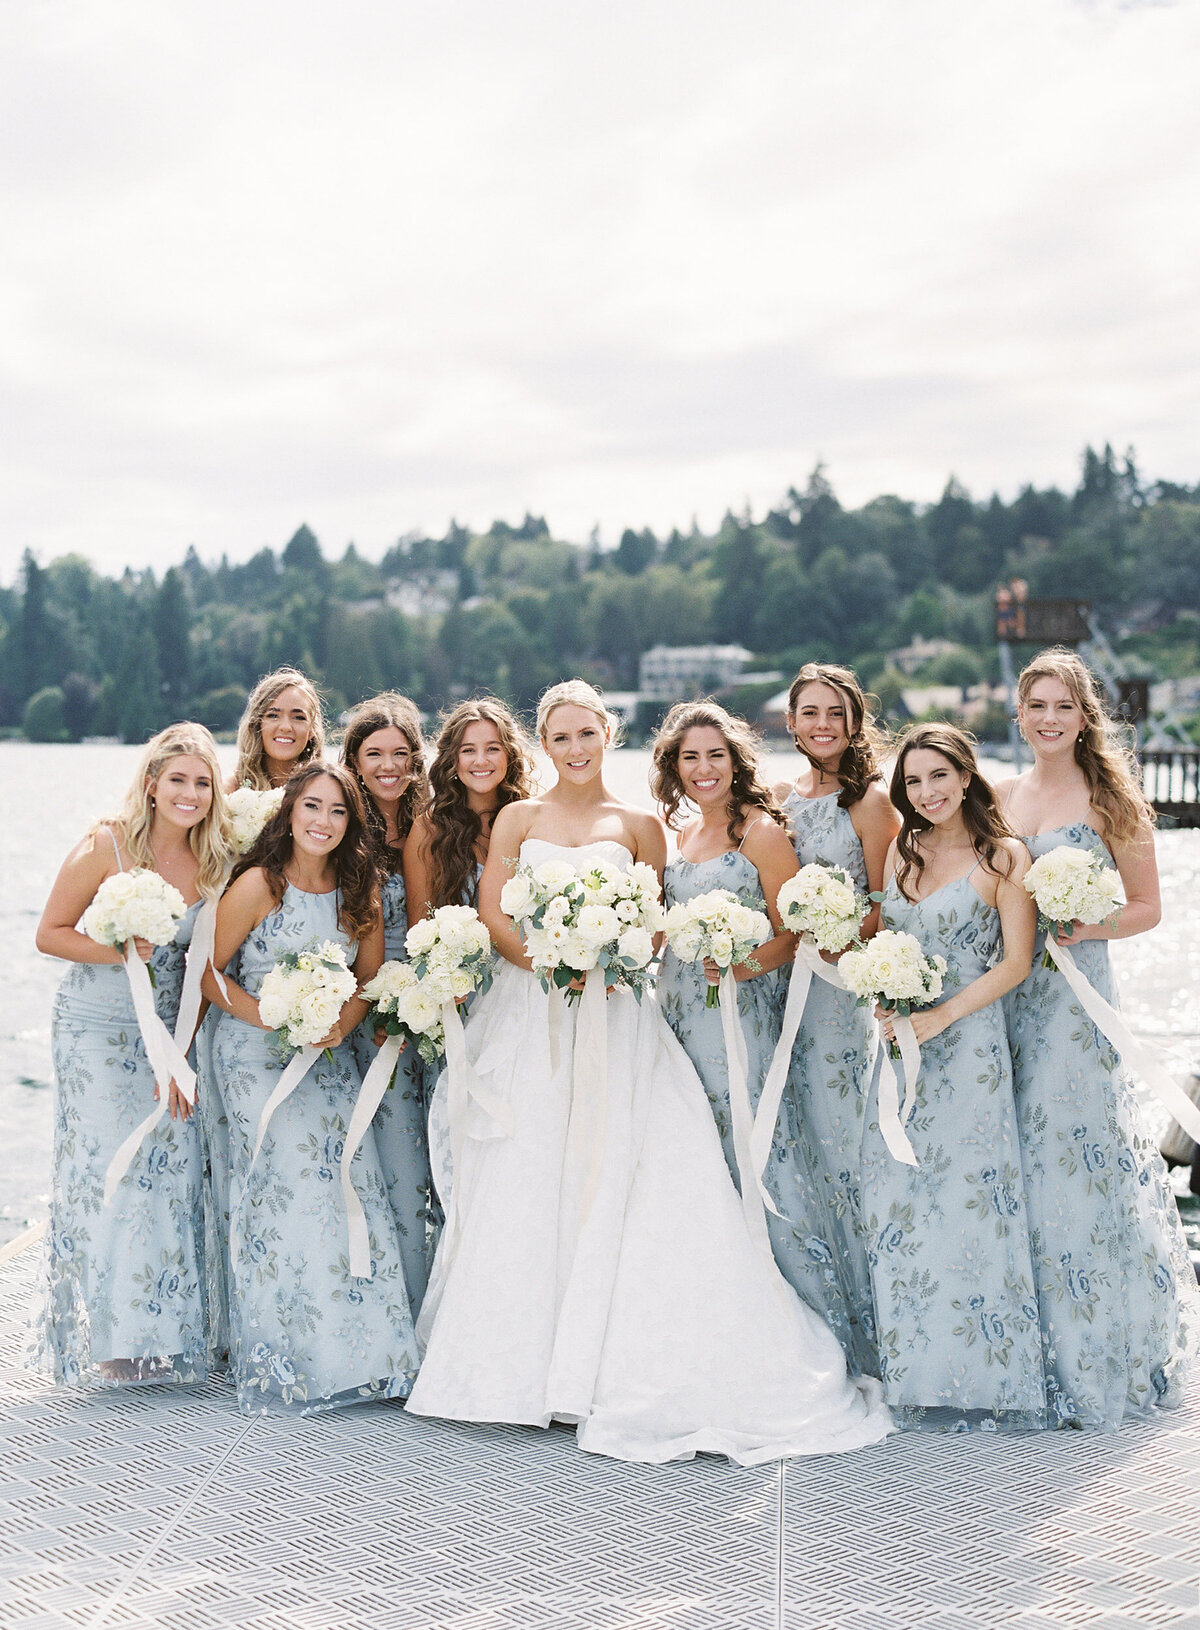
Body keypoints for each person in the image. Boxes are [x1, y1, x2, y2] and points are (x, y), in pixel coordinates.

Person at [406, 680, 892, 1465]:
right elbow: (495, 912)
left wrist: (604, 963)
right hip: (534, 1007)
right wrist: (551, 961)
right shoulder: (517, 819)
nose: (574, 750)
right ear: (544, 741)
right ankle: (517, 1365)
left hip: (621, 1013)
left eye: (586, 735)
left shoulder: (639, 827)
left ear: (608, 735)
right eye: (559, 738)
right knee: (527, 1169)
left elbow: (658, 926)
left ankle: (610, 1360)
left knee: (631, 1168)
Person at [997, 647, 1198, 1426]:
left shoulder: (1112, 798)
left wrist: (1085, 925)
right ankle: (1026, 1342)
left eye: (1063, 707)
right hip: (1011, 996)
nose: (1048, 719)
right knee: (1016, 1151)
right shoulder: (1004, 796)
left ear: (1086, 718)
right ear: (1019, 715)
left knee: (1077, 1153)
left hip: (1078, 999)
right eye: (1036, 706)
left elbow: (1149, 907)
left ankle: (1099, 1342)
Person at [203, 763, 418, 1413]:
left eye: (337, 812)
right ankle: (287, 1352)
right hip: (253, 1052)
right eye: (312, 808)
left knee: (351, 1184)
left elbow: (367, 983)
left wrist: (335, 1023)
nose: (323, 822)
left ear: (351, 824)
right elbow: (208, 974)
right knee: (290, 1183)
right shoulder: (259, 885)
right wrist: (272, 1015)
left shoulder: (362, 891)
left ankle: (363, 1354)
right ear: (290, 813)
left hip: (328, 1059)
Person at [652, 700, 860, 1351]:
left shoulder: (759, 832)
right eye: (690, 757)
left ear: (735, 759)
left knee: (753, 1151)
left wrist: (744, 967)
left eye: (715, 754)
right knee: (695, 1158)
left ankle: (806, 1324)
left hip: (739, 1015)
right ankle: (718, 1316)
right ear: (674, 767)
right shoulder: (679, 836)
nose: (703, 767)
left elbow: (794, 930)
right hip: (678, 1012)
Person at [33, 724, 233, 1388]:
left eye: (202, 782)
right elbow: (49, 934)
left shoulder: (215, 861)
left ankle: (161, 1332)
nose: (189, 793)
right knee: (106, 1175)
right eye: (177, 779)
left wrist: (181, 1055)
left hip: (168, 1034)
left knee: (165, 1170)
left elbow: (203, 964)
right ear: (152, 782)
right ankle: (108, 1338)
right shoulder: (107, 843)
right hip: (95, 1026)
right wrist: (122, 947)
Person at [860, 723, 1045, 1430]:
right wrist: (885, 992)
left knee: (971, 1197)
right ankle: (916, 1367)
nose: (928, 792)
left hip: (970, 1051)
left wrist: (941, 1019)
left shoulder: (1004, 856)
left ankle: (986, 1373)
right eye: (913, 781)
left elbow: (1015, 963)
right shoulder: (903, 852)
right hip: (901, 1046)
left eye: (939, 776)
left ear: (967, 777)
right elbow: (888, 939)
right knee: (905, 1199)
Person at [772, 663, 898, 1375]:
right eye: (809, 713)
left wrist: (840, 927)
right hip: (786, 983)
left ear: (854, 723)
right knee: (799, 1138)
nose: (822, 725)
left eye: (835, 714)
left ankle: (869, 1319)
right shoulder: (784, 799)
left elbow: (888, 900)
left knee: (841, 1135)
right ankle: (811, 1309)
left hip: (841, 988)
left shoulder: (871, 802)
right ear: (790, 723)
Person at [340, 693, 434, 1308]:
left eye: (401, 753)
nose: (388, 765)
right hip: (372, 1011)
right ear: (353, 759)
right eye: (374, 754)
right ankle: (402, 1308)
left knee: (440, 1148)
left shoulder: (433, 821)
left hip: (442, 996)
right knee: (396, 1157)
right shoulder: (339, 823)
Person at [403, 696, 535, 927]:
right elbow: (419, 932)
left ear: (509, 754)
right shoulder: (429, 830)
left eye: (492, 749)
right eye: (468, 750)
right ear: (453, 758)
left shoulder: (532, 821)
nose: (481, 761)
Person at [226, 667, 325, 792]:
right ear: (257, 724)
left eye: (298, 717)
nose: (285, 727)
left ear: (312, 730)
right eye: (273, 715)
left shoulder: (326, 791)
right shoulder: (228, 792)